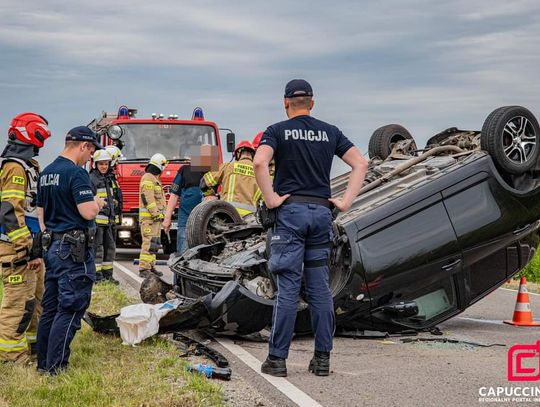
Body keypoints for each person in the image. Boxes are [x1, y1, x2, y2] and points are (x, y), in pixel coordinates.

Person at [253, 79, 368, 377]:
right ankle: (322, 360)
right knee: (319, 289)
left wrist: (272, 199)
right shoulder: (330, 132)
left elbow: (259, 163)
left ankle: (277, 360)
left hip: (290, 214)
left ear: (286, 102)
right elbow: (360, 164)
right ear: (312, 103)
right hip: (320, 213)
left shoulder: (276, 131)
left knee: (288, 288)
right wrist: (344, 202)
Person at [36, 126, 105, 375]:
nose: (91, 157)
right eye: (91, 151)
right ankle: (56, 368)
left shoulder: (47, 173)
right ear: (83, 146)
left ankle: (43, 363)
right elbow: (87, 211)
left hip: (52, 246)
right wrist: (97, 202)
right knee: (71, 307)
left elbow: (41, 214)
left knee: (51, 308)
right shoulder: (76, 174)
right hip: (73, 251)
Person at [0, 112, 50, 364]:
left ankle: (31, 348)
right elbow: (10, 211)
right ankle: (11, 357)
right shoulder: (14, 167)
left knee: (34, 302)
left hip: (32, 247)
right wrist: (25, 248)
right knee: (18, 304)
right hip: (17, 249)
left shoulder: (29, 165)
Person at [200, 140, 262, 216]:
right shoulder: (260, 173)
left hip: (228, 214)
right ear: (252, 155)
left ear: (237, 154)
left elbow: (204, 183)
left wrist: (211, 194)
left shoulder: (227, 167)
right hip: (251, 217)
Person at [162, 155, 206, 256]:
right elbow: (174, 195)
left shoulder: (210, 173)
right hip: (185, 217)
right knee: (183, 249)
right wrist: (167, 218)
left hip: (203, 218)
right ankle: (180, 271)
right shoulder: (184, 170)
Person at [89, 149, 118, 284]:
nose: (104, 167)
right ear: (95, 164)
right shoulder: (92, 179)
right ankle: (97, 276)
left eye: (106, 164)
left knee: (110, 248)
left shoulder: (108, 179)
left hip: (108, 221)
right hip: (97, 222)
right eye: (101, 164)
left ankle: (108, 275)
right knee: (98, 249)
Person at [138, 153, 167, 278]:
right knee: (148, 243)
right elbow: (148, 198)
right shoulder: (148, 178)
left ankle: (151, 266)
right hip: (149, 219)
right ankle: (144, 268)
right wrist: (155, 213)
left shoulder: (154, 178)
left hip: (155, 219)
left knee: (154, 243)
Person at [105, 145, 124, 228]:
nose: (117, 164)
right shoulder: (104, 178)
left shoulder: (112, 178)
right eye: (116, 161)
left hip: (112, 222)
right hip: (106, 222)